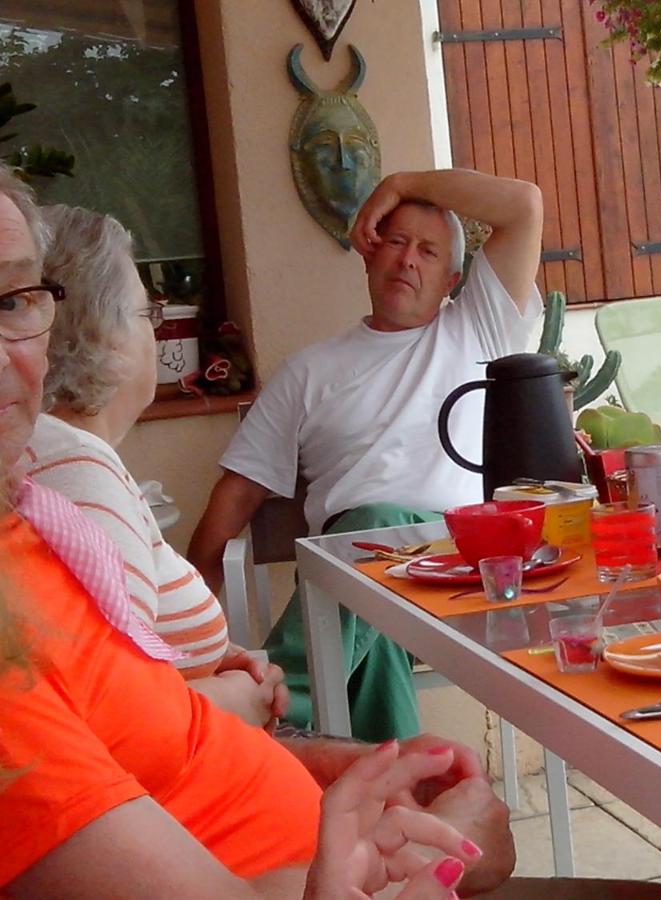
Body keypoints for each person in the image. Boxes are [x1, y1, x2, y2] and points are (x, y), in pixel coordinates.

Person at [0, 163, 487, 899]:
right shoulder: (74, 495)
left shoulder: (40, 523)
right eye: (144, 312)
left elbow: (147, 721)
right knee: (373, 547)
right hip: (361, 576)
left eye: (14, 301)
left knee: (374, 604)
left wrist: (352, 773)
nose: (406, 260)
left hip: (455, 562)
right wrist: (413, 855)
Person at [187, 168, 545, 741]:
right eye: (396, 241)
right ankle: (400, 782)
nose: (408, 260)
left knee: (373, 538)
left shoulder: (479, 328)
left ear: (452, 278)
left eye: (428, 251)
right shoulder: (308, 372)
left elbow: (523, 204)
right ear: (370, 256)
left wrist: (399, 184)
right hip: (349, 581)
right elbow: (239, 491)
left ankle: (275, 702)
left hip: (459, 568)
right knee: (373, 623)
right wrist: (189, 614)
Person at [26, 203, 286, 729]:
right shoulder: (78, 473)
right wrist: (234, 700)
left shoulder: (60, 454)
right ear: (105, 335)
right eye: (149, 315)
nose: (156, 333)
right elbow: (112, 715)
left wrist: (211, 658)